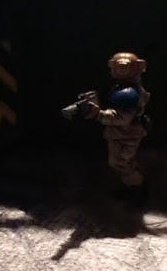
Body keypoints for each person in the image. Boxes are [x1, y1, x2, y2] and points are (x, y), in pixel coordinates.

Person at [65, 51, 151, 201]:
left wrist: (98, 114)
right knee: (121, 162)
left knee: (121, 163)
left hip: (126, 133)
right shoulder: (123, 87)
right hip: (122, 133)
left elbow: (121, 118)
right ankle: (131, 185)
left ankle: (137, 188)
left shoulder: (128, 93)